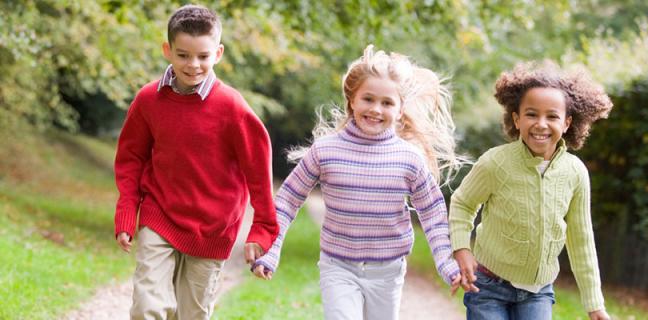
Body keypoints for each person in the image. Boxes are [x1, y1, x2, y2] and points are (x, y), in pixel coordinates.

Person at [250, 45, 463, 320]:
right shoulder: (325, 151)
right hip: (338, 266)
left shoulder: (409, 159)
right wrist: (271, 250)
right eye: (368, 99)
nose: (376, 109)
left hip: (388, 270)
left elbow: (433, 215)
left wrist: (447, 264)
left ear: (400, 111)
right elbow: (287, 201)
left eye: (387, 103)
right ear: (352, 100)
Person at [113, 4, 278, 319]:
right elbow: (131, 158)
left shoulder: (232, 107)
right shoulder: (148, 100)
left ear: (218, 53)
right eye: (183, 55)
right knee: (148, 306)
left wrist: (263, 227)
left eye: (203, 56)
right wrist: (126, 212)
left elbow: (257, 170)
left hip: (212, 227)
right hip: (159, 215)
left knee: (192, 314)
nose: (193, 65)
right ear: (168, 50)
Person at [450, 61, 613, 320]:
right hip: (488, 286)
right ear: (516, 118)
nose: (541, 124)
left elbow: (581, 240)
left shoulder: (575, 173)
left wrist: (595, 305)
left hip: (538, 292)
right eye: (531, 114)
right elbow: (462, 203)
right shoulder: (496, 162)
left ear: (567, 123)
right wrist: (462, 249)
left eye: (552, 116)